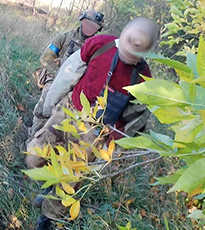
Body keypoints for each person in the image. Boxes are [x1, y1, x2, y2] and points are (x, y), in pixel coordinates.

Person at [27, 17, 158, 230]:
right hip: (68, 113)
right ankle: (49, 178)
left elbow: (136, 117)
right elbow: (69, 71)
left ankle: (47, 218)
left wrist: (110, 145)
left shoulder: (143, 77)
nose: (131, 49)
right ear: (122, 35)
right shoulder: (101, 45)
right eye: (129, 42)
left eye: (138, 48)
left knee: (70, 181)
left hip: (95, 134)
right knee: (34, 157)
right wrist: (48, 104)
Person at [29, 9, 104, 139]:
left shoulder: (96, 48)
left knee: (68, 121)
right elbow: (46, 57)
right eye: (88, 24)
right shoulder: (63, 37)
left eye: (94, 27)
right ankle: (32, 138)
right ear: (82, 22)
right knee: (44, 108)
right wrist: (60, 74)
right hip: (56, 79)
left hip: (77, 87)